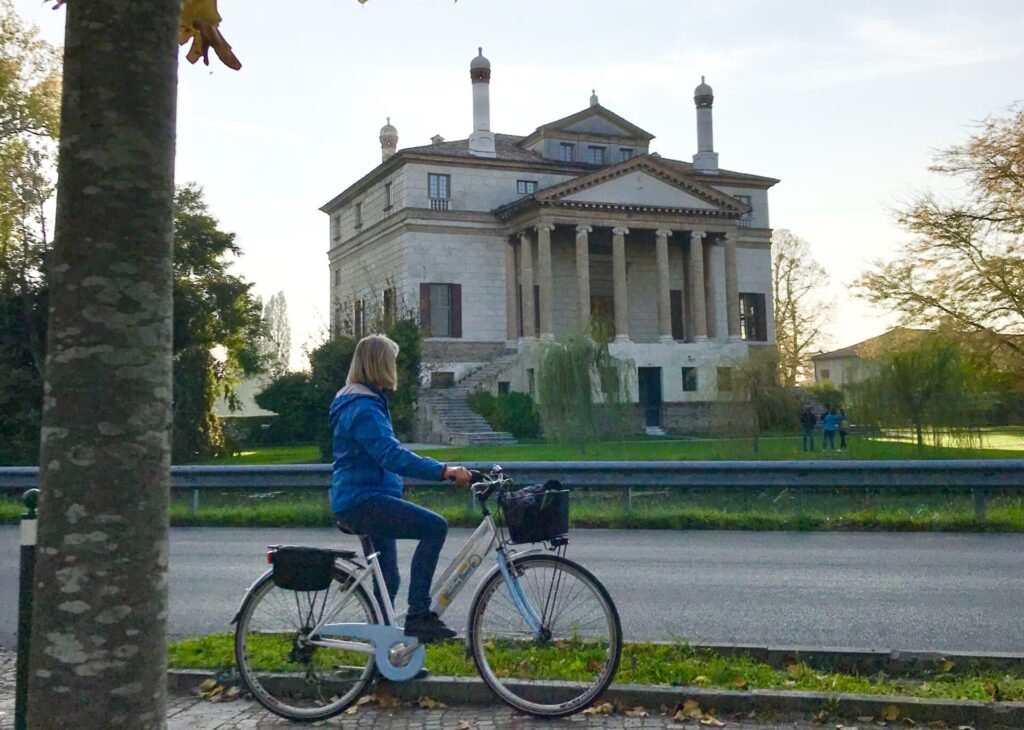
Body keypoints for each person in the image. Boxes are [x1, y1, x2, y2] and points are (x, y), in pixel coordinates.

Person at [329, 334, 472, 642]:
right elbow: (391, 455)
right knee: (435, 528)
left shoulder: (361, 401)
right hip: (362, 501)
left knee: (387, 580)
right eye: (391, 361)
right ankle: (419, 615)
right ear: (380, 364)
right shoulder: (364, 407)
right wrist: (443, 471)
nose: (395, 368)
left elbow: (379, 457)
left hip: (365, 497)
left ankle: (383, 662)